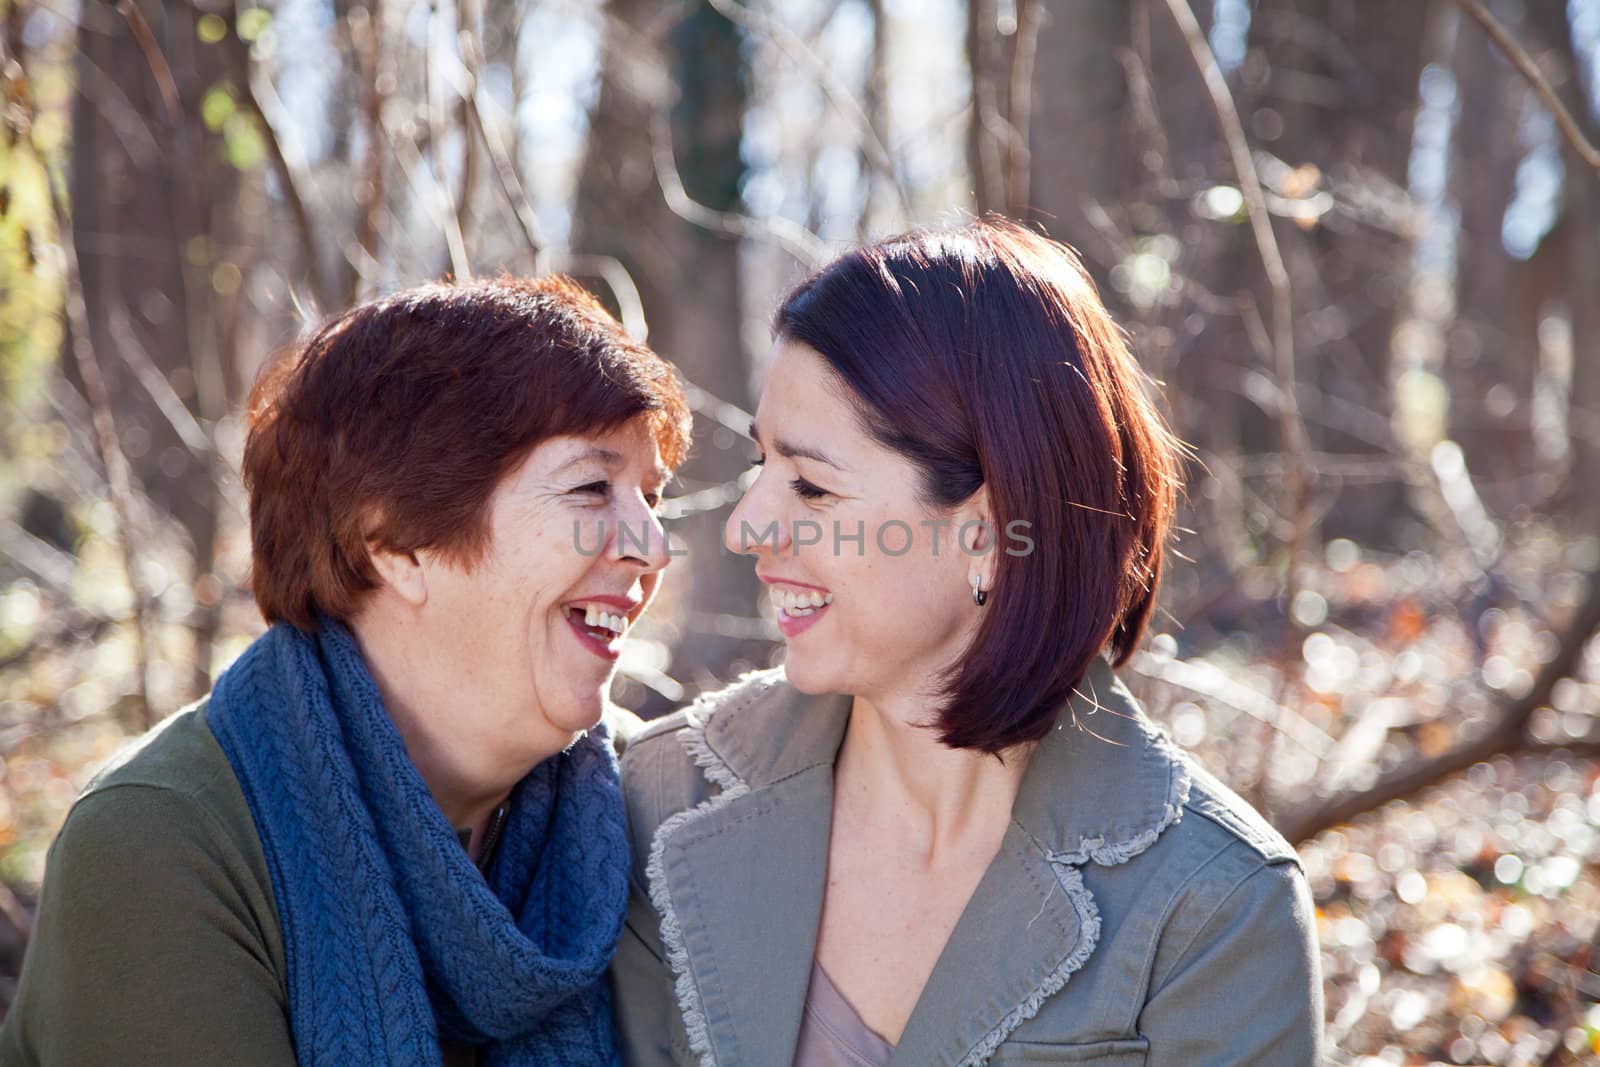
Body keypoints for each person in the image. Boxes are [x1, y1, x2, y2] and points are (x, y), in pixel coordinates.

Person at [608, 219, 1324, 1065]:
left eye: (811, 485)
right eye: (761, 466)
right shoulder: (665, 797)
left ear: (988, 531)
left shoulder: (1216, 906)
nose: (746, 526)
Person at [1, 276, 691, 1066]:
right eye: (591, 488)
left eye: (652, 497)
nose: (652, 544)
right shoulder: (161, 845)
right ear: (396, 544)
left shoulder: (651, 802)